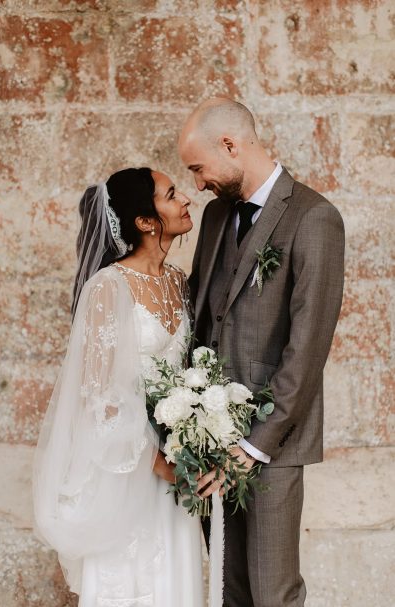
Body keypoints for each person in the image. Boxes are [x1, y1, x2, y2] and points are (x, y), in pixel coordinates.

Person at [179, 98, 345, 607]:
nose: (198, 183)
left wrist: (254, 446)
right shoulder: (213, 218)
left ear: (231, 145)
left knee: (272, 591)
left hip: (271, 443)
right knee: (231, 588)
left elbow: (307, 349)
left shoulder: (315, 218)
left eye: (199, 168)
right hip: (209, 439)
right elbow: (203, 316)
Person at [33, 168, 204, 607]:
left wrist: (195, 440)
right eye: (170, 194)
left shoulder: (179, 283)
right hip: (128, 472)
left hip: (175, 467)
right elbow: (100, 398)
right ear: (146, 222)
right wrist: (160, 463)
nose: (185, 198)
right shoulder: (108, 287)